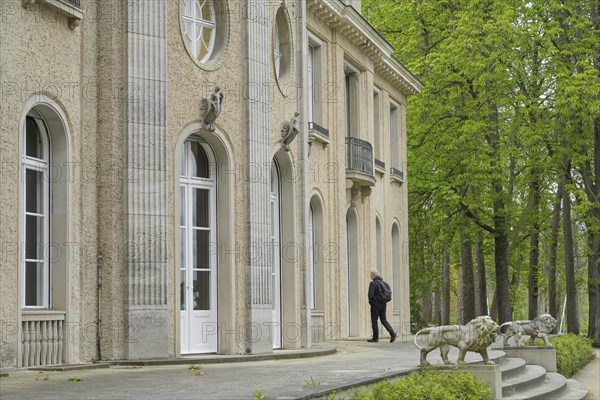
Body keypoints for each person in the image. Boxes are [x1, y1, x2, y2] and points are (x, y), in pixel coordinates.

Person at [367, 270, 396, 343]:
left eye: (371, 275)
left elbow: (371, 295)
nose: (370, 276)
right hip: (383, 304)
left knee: (374, 320)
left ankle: (375, 338)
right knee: (383, 320)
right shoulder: (384, 283)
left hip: (376, 304)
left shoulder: (373, 283)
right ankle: (392, 333)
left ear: (374, 275)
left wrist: (372, 303)